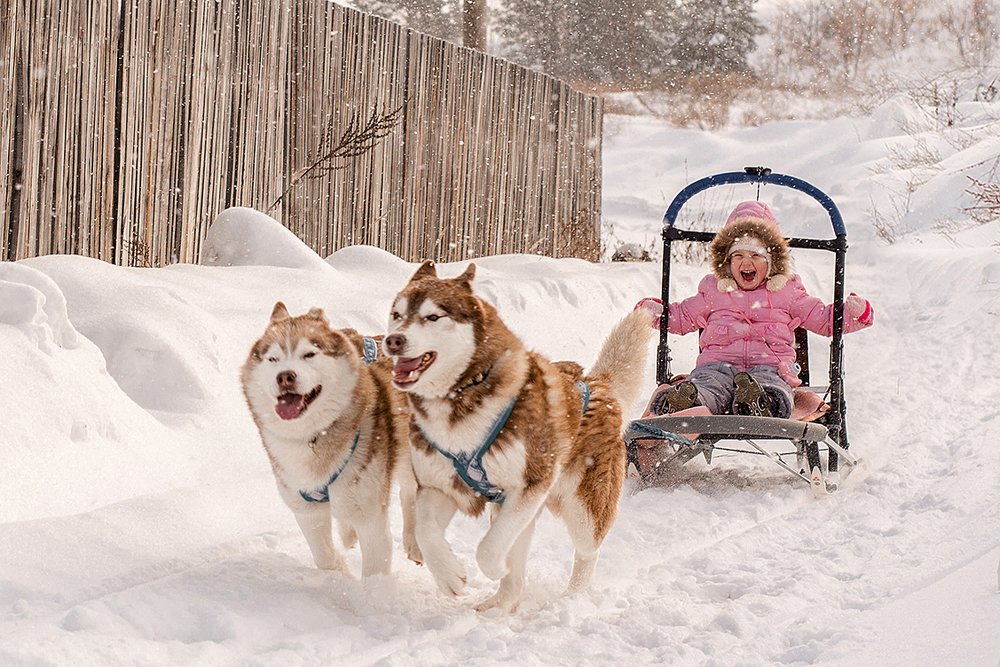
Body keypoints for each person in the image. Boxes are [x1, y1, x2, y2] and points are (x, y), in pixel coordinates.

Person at [635, 200, 873, 418]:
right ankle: (688, 402)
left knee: (773, 384)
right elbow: (682, 316)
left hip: (770, 366)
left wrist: (854, 314)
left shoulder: (787, 291)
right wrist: (654, 314)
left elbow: (824, 319)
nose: (746, 263)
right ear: (726, 261)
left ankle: (760, 402)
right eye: (737, 255)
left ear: (772, 261)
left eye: (755, 255)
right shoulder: (714, 289)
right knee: (708, 385)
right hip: (716, 365)